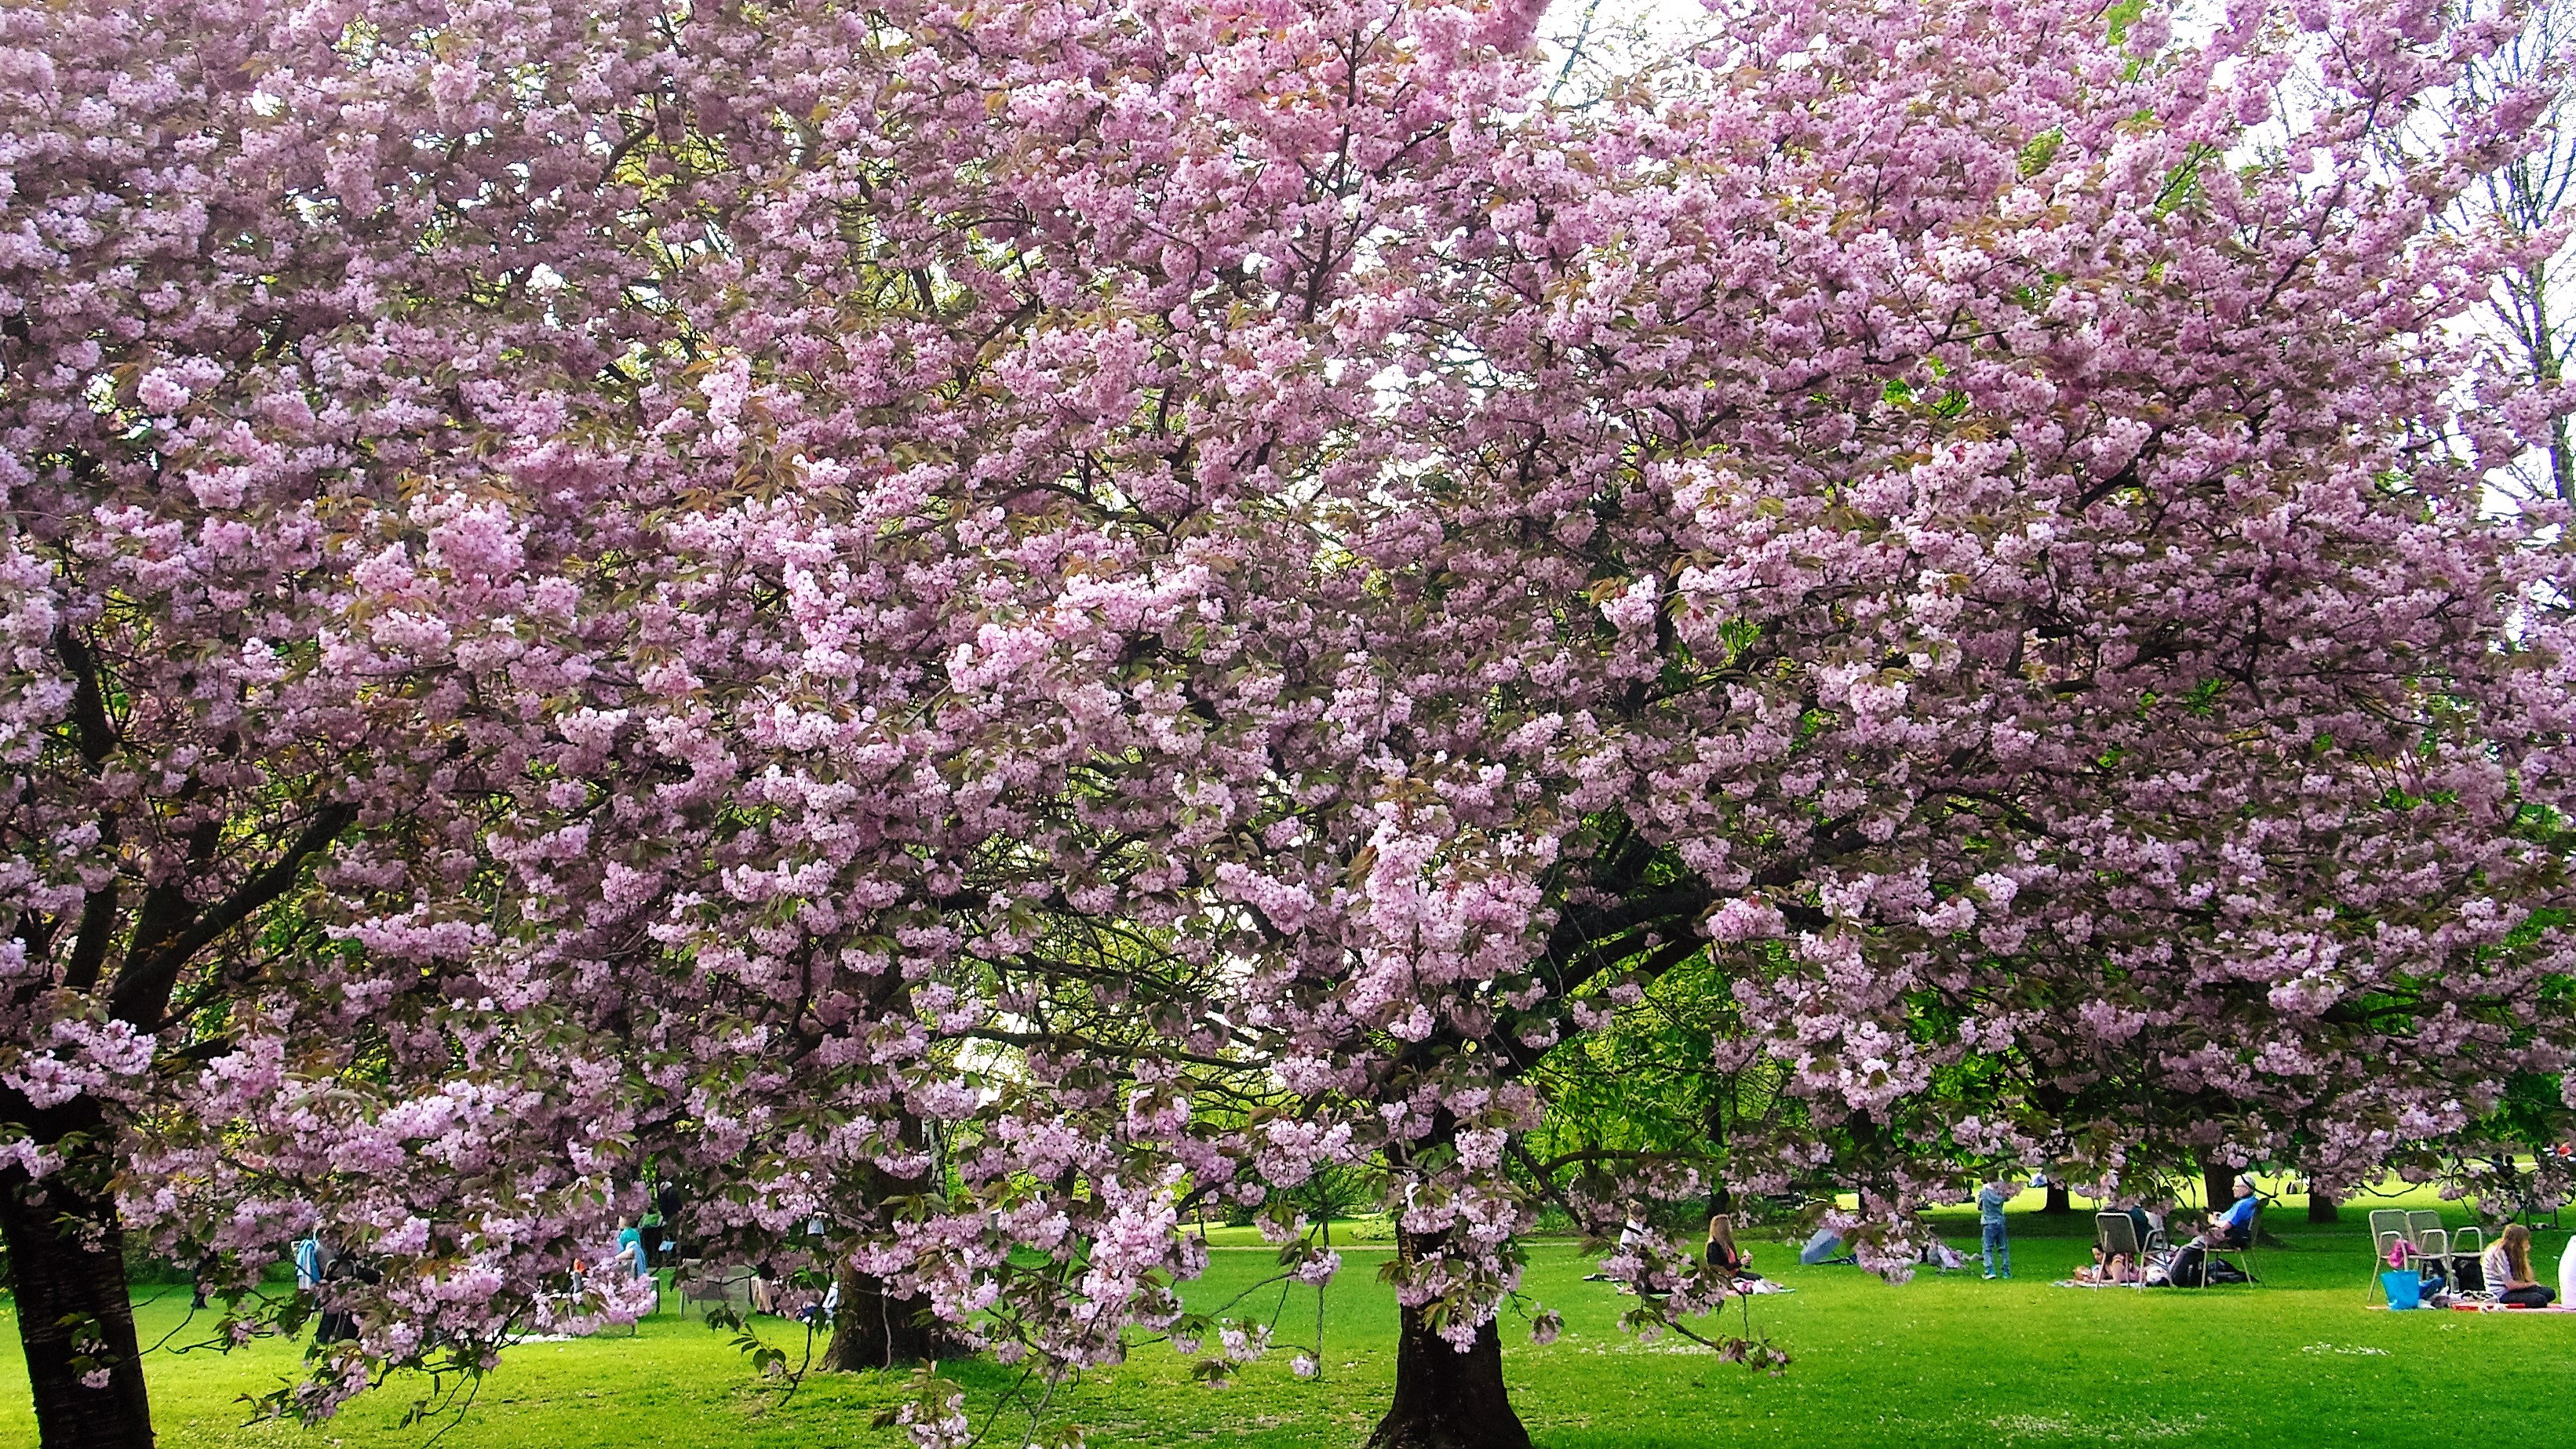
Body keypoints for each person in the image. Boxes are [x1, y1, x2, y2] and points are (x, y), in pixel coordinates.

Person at [2481, 1223, 2557, 1308]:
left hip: (2513, 1290)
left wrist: (2524, 1256)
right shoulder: (2499, 1254)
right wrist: (2531, 1285)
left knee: (2550, 1293)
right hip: (2501, 1293)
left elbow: (2528, 1277)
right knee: (2539, 1300)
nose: (2527, 1243)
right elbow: (2510, 1285)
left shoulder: (2512, 1252)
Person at [1706, 1214, 1763, 1290]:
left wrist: (1744, 1260)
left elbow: (1733, 1263)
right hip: (1724, 1277)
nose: (1731, 1227)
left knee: (1759, 1278)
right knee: (1754, 1283)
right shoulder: (1713, 1246)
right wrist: (1739, 1263)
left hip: (1736, 1274)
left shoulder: (1728, 1244)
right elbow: (1718, 1268)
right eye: (1729, 1224)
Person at [1977, 1179, 2012, 1280]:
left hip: (1988, 1223)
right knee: (2003, 1248)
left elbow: (1979, 1207)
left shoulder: (1983, 1193)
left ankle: (1990, 1270)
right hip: (2000, 1222)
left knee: (1987, 1248)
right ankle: (2006, 1272)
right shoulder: (2001, 1192)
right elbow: (2007, 1198)